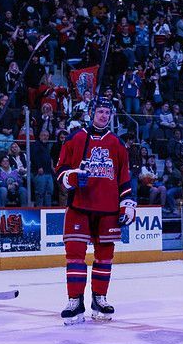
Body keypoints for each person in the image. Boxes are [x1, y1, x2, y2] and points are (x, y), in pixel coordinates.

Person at [55, 97, 136, 325]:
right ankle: (75, 300)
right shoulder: (75, 138)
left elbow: (124, 179)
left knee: (104, 258)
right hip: (79, 206)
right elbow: (60, 171)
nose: (103, 116)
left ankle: (99, 298)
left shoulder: (117, 144)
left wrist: (127, 203)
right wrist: (71, 177)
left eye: (106, 112)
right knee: (75, 257)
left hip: (108, 209)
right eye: (99, 111)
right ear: (91, 113)